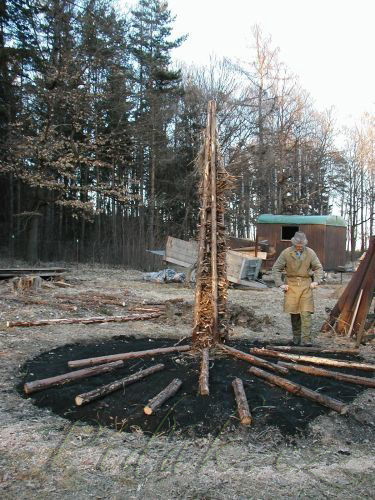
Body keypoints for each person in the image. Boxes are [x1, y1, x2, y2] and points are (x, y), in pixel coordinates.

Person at [272, 231, 323, 346]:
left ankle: (306, 340)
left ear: (304, 243)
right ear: (293, 243)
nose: (299, 247)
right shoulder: (286, 253)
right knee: (294, 314)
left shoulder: (310, 253)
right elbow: (276, 269)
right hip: (291, 285)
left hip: (306, 284)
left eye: (301, 245)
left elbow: (318, 268)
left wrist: (316, 281)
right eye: (297, 245)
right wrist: (280, 284)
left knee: (306, 313)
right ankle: (296, 339)